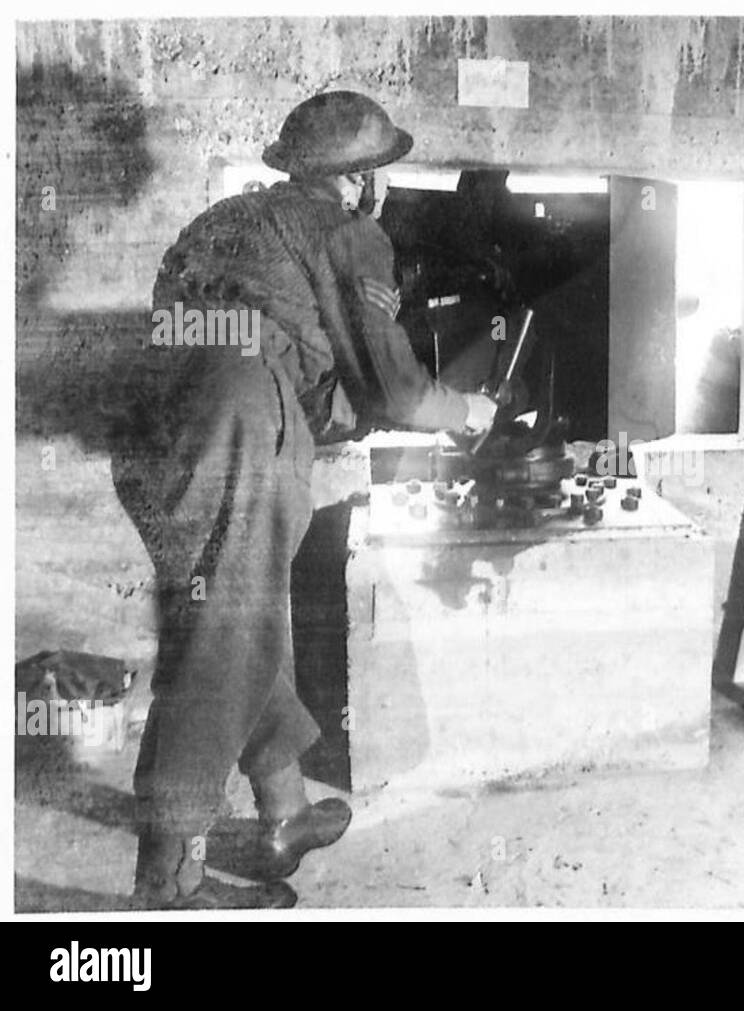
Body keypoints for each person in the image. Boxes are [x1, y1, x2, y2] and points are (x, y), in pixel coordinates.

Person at [111, 91, 496, 909]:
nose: (380, 188)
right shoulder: (349, 233)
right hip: (238, 423)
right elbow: (393, 386)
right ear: (357, 180)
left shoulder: (225, 222)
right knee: (226, 630)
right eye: (378, 172)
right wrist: (467, 411)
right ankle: (168, 876)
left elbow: (222, 333)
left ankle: (283, 809)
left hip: (145, 430)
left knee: (232, 613)